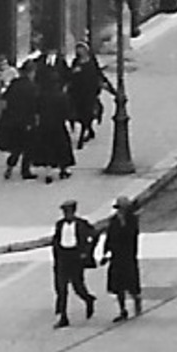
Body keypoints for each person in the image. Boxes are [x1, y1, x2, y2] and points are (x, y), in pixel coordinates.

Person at [50, 199, 97, 329]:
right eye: (65, 212)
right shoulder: (59, 225)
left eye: (69, 212)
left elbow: (94, 235)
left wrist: (87, 252)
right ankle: (63, 316)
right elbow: (56, 239)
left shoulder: (82, 224)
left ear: (74, 212)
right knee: (61, 289)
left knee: (78, 286)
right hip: (63, 258)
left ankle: (88, 299)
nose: (67, 214)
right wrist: (56, 253)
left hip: (75, 257)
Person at [98, 195, 142, 322]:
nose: (120, 211)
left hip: (128, 256)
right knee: (118, 287)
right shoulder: (113, 221)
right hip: (116, 257)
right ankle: (122, 310)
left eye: (122, 208)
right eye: (119, 208)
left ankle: (136, 299)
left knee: (131, 284)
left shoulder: (132, 220)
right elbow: (109, 238)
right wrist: (105, 253)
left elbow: (132, 235)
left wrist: (125, 224)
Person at [66, 40, 116, 149]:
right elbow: (70, 75)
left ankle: (82, 137)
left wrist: (111, 89)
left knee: (86, 113)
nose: (80, 51)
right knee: (78, 113)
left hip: (89, 92)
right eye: (78, 49)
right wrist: (74, 72)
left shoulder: (92, 62)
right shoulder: (76, 62)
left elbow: (98, 74)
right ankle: (89, 129)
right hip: (78, 91)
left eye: (82, 49)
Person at [33, 59, 76, 184]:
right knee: (62, 148)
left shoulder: (41, 95)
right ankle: (63, 169)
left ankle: (48, 172)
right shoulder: (61, 96)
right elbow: (67, 111)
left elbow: (36, 109)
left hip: (44, 125)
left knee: (46, 149)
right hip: (58, 125)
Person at [0, 59, 39, 180]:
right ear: (31, 72)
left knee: (17, 147)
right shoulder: (32, 87)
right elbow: (34, 105)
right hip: (26, 121)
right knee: (28, 146)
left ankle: (10, 165)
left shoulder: (14, 84)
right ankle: (25, 170)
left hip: (12, 118)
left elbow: (4, 100)